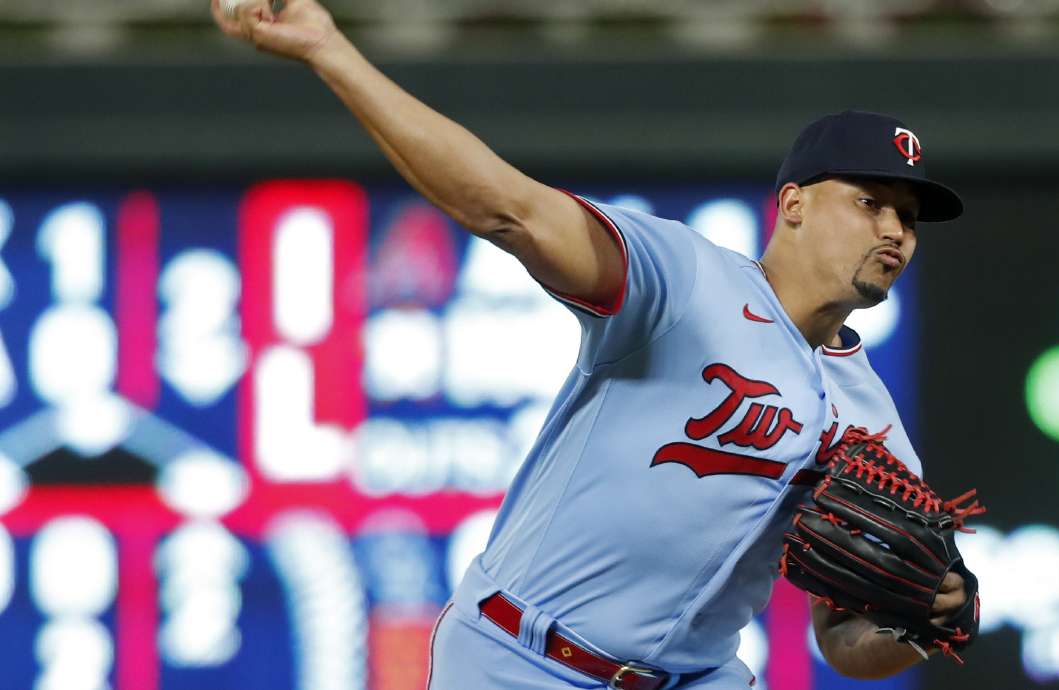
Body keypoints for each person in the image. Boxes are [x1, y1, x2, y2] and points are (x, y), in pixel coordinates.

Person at [212, 2, 971, 687]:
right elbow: (512, 212)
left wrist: (922, 625)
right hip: (518, 658)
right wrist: (332, 54)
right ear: (793, 205)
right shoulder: (683, 279)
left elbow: (844, 643)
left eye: (908, 217)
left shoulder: (875, 424)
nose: (893, 231)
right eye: (870, 202)